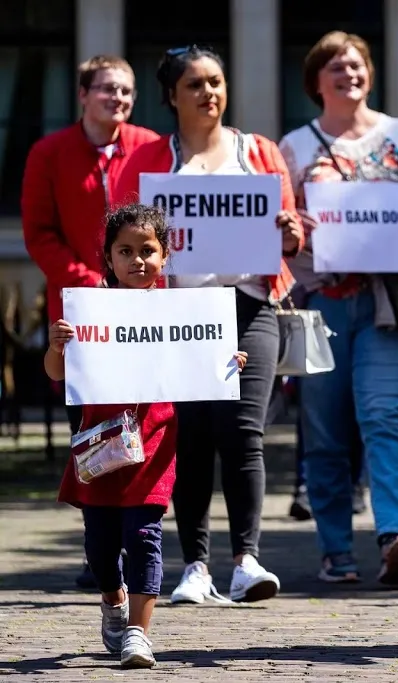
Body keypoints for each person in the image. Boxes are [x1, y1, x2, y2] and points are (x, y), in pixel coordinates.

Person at [112, 45, 304, 604]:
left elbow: (290, 238)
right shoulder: (148, 159)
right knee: (190, 436)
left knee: (245, 432)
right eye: (194, 84)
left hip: (249, 306)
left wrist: (289, 231)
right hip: (178, 312)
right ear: (172, 96)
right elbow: (123, 239)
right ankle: (195, 566)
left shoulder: (260, 153)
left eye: (216, 82)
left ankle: (246, 560)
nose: (208, 93)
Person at [45, 203, 244, 667]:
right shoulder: (91, 309)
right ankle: (113, 602)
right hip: (99, 443)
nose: (137, 260)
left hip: (154, 442)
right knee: (99, 545)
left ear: (164, 255)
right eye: (125, 251)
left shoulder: (179, 311)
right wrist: (57, 348)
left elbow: (204, 363)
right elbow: (57, 372)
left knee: (144, 534)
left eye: (147, 250)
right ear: (108, 258)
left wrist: (225, 364)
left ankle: (138, 632)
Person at [278, 31, 398, 585]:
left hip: (393, 303)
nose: (350, 74)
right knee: (324, 431)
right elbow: (278, 229)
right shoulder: (293, 147)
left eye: (358, 64)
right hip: (321, 306)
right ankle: (336, 549)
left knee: (385, 416)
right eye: (337, 67)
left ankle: (395, 534)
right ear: (316, 80)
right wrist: (297, 231)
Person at [21, 54, 160, 590]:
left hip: (145, 310)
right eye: (107, 90)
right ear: (83, 94)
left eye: (126, 91)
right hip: (83, 314)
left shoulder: (149, 146)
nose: (118, 100)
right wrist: (88, 278)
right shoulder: (49, 152)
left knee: (146, 418)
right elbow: (38, 232)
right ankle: (99, 547)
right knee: (94, 426)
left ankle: (138, 532)